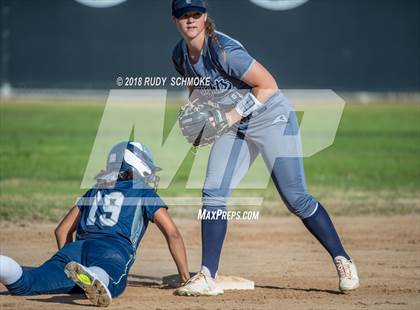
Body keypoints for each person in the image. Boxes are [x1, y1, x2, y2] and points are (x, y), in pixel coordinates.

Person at [171, 0, 359, 296]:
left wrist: (229, 116)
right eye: (184, 15)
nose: (190, 20)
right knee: (213, 192)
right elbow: (197, 88)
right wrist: (200, 116)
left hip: (272, 118)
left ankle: (342, 259)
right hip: (233, 127)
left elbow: (268, 84)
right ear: (175, 20)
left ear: (205, 17)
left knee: (295, 198)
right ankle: (207, 274)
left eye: (196, 14)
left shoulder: (224, 51)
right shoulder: (180, 54)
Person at [0, 141, 190, 307]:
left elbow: (62, 229)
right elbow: (172, 233)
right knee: (112, 281)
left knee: (26, 283)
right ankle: (94, 275)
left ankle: (3, 266)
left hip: (75, 249)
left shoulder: (95, 189)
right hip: (112, 250)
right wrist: (184, 278)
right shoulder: (144, 192)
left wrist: (69, 260)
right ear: (138, 166)